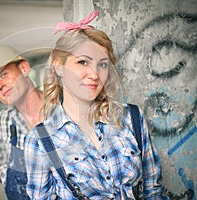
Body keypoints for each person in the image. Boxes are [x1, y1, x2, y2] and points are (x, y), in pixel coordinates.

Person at [24, 11, 166, 199]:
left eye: (103, 64)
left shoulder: (131, 117)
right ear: (59, 66)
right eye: (83, 62)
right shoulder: (40, 140)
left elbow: (153, 190)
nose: (94, 74)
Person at [0, 45, 44, 200]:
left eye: (3, 74)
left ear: (24, 68)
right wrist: (5, 175)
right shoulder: (4, 120)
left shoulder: (63, 108)